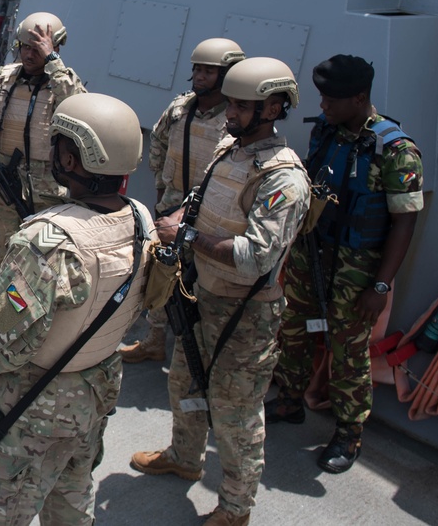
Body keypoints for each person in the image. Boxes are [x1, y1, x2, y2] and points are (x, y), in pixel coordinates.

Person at [0, 93, 152, 526]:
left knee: (2, 512)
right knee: (72, 501)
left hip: (34, 412)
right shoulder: (141, 221)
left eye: (59, 145)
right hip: (93, 396)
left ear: (73, 159)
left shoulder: (47, 241)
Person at [130, 58, 310, 526]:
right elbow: (203, 195)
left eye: (241, 105)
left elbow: (258, 256)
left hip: (245, 313)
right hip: (199, 292)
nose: (229, 112)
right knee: (185, 381)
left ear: (272, 108)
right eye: (229, 102)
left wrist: (185, 238)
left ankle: (235, 509)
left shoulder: (282, 177)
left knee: (235, 414)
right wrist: (180, 219)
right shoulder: (231, 147)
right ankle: (186, 457)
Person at [267, 55, 423, 474]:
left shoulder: (396, 151)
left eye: (332, 99)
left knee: (348, 353)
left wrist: (381, 287)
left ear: (359, 98)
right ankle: (289, 400)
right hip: (310, 255)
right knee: (292, 331)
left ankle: (348, 433)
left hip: (357, 272)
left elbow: (404, 223)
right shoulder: (325, 132)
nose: (323, 106)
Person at [121, 37, 245, 363]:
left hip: (210, 216)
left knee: (203, 283)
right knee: (161, 272)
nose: (200, 77)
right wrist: (163, 190)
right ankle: (154, 340)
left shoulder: (234, 122)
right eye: (197, 69)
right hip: (172, 205)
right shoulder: (181, 108)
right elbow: (159, 143)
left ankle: (198, 352)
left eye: (209, 71)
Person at [0, 11, 87, 326]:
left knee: (40, 261)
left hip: (47, 194)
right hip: (6, 184)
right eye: (24, 48)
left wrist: (52, 62)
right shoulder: (6, 77)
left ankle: (23, 319)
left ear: (54, 49)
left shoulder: (63, 83)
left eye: (38, 49)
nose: (29, 55)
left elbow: (82, 108)